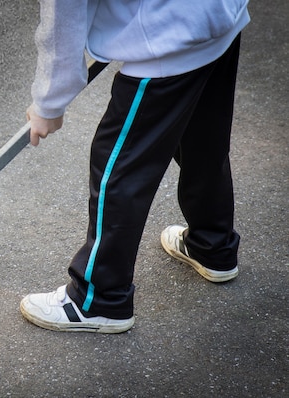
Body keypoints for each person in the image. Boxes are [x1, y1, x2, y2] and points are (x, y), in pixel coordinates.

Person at [20, 0, 250, 333]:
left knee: (119, 166)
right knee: (203, 140)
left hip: (164, 41)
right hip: (217, 19)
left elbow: (64, 15)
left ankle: (98, 299)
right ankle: (212, 244)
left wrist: (49, 102)